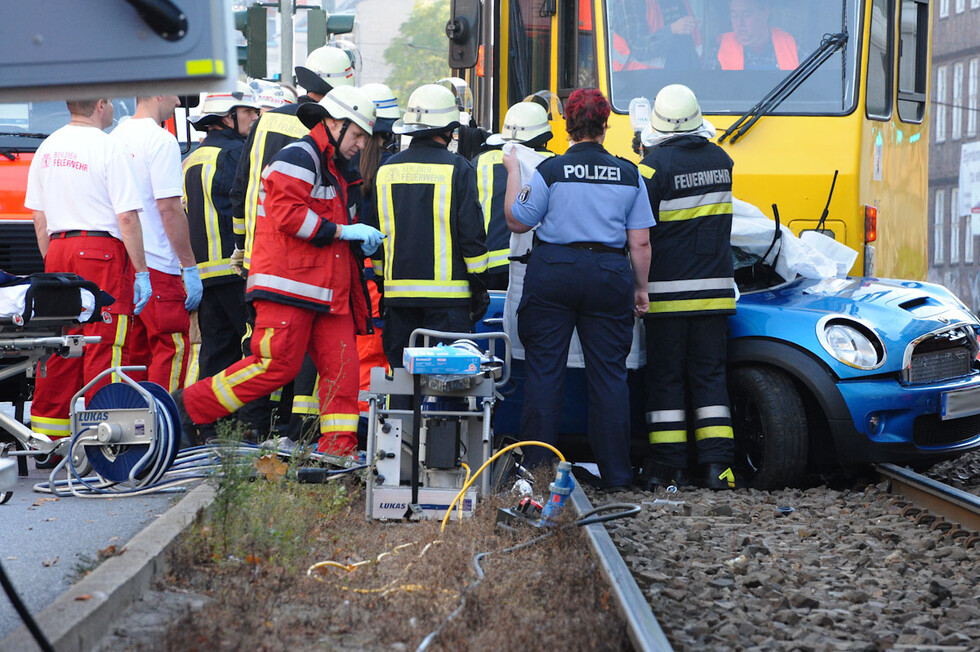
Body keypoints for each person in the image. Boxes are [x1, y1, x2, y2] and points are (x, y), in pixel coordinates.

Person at [177, 86, 382, 457]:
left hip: (326, 292)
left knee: (344, 373)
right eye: (357, 136)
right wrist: (344, 231)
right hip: (290, 287)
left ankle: (339, 452)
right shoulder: (299, 156)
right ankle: (187, 409)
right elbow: (287, 214)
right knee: (274, 366)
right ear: (334, 123)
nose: (361, 146)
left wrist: (351, 239)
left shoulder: (335, 168)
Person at [502, 88, 654, 491]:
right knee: (609, 376)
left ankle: (536, 471)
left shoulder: (550, 171)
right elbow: (639, 242)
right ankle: (618, 476)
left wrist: (514, 170)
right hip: (609, 273)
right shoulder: (629, 173)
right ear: (605, 127)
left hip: (554, 271)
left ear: (567, 127)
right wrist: (640, 289)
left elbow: (518, 220)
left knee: (544, 372)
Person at [228, 45, 356, 441]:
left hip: (261, 255)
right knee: (310, 353)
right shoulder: (323, 133)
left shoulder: (266, 122)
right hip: (307, 256)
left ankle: (252, 431)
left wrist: (242, 244)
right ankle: (298, 429)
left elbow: (242, 189)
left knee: (264, 349)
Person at [24, 97, 151, 454]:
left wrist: (55, 263)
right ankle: (103, 437)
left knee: (62, 345)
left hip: (59, 250)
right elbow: (126, 217)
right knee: (105, 342)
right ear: (100, 105)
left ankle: (49, 440)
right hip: (100, 252)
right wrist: (142, 272)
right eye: (110, 102)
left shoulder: (47, 148)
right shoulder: (107, 147)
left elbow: (40, 220)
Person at [637, 84, 736, 490]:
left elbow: (641, 231)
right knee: (711, 379)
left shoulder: (651, 168)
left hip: (667, 297)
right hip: (715, 294)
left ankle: (669, 466)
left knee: (666, 380)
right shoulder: (723, 161)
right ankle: (718, 468)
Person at [365, 83, 489, 373]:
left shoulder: (386, 171)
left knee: (402, 384)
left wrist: (385, 285)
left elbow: (377, 239)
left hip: (399, 302)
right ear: (448, 128)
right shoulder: (458, 168)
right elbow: (472, 236)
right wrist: (479, 286)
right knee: (448, 388)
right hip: (449, 305)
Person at [181, 83, 263, 442]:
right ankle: (247, 426)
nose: (254, 117)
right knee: (251, 349)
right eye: (247, 112)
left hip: (205, 275)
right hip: (236, 269)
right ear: (228, 118)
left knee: (215, 353)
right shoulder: (235, 155)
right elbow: (246, 206)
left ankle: (209, 426)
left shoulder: (191, 157)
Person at [109, 95, 202, 393]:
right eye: (175, 92)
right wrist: (189, 265)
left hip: (124, 264)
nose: (178, 100)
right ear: (159, 92)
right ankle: (165, 428)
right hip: (159, 265)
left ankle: (133, 429)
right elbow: (169, 209)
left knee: (132, 354)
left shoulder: (114, 138)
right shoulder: (161, 141)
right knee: (171, 349)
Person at [475, 99, 556, 290]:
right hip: (535, 263)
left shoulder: (480, 162)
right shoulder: (555, 164)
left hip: (489, 265)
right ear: (544, 136)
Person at [609, 0, 701, 71]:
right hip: (640, 85)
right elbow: (637, 47)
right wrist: (671, 30)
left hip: (685, 77)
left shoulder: (680, 2)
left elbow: (694, 45)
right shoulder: (628, 2)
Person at [716, 0, 798, 71]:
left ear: (765, 13)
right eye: (735, 16)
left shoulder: (792, 47)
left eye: (746, 15)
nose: (740, 23)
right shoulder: (718, 51)